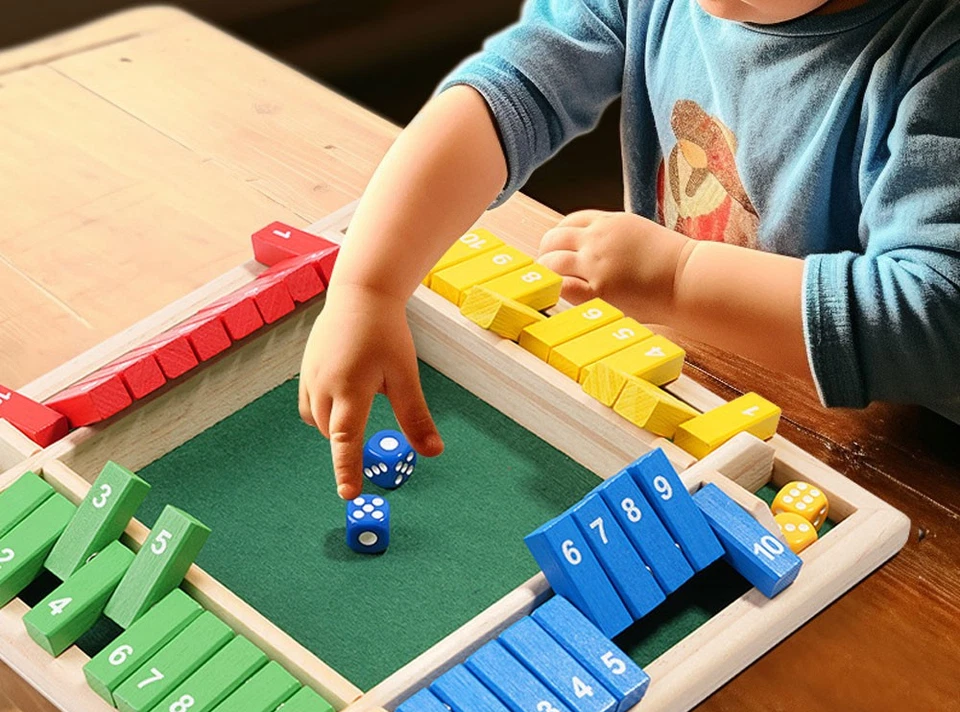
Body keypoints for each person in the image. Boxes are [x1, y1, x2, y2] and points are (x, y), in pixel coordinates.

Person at [300, 0, 960, 499]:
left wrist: (677, 279)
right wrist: (369, 283)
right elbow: (510, 92)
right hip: (693, 377)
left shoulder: (940, 55)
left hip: (891, 457)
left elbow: (939, 321)